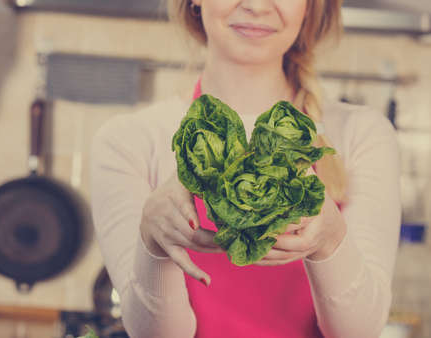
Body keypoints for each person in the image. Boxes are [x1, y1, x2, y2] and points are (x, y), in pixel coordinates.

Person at [89, 0, 401, 337]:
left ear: (311, 5)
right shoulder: (127, 142)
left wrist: (330, 238)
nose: (255, 5)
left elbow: (359, 332)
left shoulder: (362, 135)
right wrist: (153, 242)